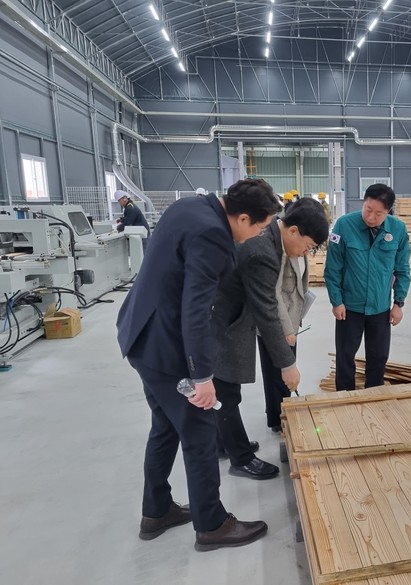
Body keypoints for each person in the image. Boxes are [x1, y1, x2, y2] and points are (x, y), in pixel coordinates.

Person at [116, 178, 281, 551]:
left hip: (141, 335)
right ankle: (212, 525)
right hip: (164, 347)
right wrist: (202, 376)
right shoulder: (213, 236)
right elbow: (195, 311)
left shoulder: (190, 206)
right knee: (201, 433)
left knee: (165, 427)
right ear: (242, 217)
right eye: (260, 227)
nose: (258, 235)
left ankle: (156, 511)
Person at [211, 197, 328, 476]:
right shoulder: (262, 251)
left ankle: (223, 443)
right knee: (226, 390)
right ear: (293, 231)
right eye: (308, 246)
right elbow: (267, 310)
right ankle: (240, 458)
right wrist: (287, 364)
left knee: (224, 388)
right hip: (221, 320)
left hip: (228, 315)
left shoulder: (274, 240)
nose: (306, 252)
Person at [324, 183, 411, 391]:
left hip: (380, 308)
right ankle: (345, 398)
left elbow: (402, 269)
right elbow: (333, 268)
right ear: (363, 203)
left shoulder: (398, 229)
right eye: (368, 209)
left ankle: (373, 396)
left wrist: (398, 303)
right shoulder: (344, 225)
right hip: (349, 307)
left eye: (378, 214)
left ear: (388, 212)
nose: (371, 217)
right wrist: (337, 301)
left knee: (378, 357)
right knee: (345, 356)